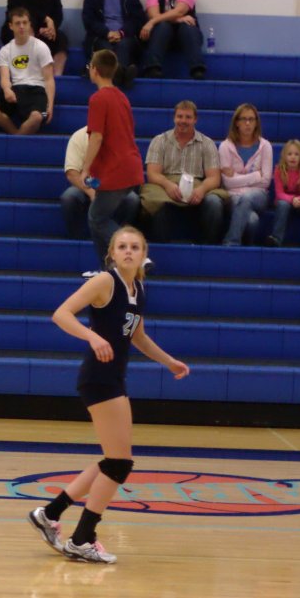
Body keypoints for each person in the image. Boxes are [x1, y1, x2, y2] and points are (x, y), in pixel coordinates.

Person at [28, 226, 187, 565]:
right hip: (99, 378)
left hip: (113, 378)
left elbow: (138, 336)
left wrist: (169, 361)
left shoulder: (138, 289)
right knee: (119, 463)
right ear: (111, 253)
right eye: (122, 246)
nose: (128, 251)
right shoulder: (105, 281)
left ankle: (50, 514)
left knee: (113, 460)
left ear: (143, 254)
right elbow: (61, 314)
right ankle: (82, 538)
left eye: (135, 247)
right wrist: (92, 336)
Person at [80, 49, 142, 261]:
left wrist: (85, 168)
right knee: (97, 218)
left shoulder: (98, 99)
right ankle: (108, 269)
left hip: (116, 169)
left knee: (97, 218)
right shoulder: (122, 97)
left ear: (94, 70)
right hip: (129, 166)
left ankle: (135, 252)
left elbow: (97, 136)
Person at [140, 100, 227, 243]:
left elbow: (214, 178)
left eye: (188, 117)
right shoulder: (159, 140)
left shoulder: (207, 143)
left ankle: (208, 247)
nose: (183, 121)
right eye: (180, 116)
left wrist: (202, 190)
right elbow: (152, 174)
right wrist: (168, 185)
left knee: (214, 203)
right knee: (155, 202)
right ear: (174, 118)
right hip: (165, 184)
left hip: (197, 184)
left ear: (195, 119)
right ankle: (162, 248)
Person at [0, 7, 54, 137]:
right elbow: (4, 78)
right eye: (17, 23)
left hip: (37, 91)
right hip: (15, 89)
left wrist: (50, 105)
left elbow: (49, 79)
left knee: (38, 117)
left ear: (29, 24)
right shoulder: (5, 50)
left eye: (25, 22)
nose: (21, 26)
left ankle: (15, 140)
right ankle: (15, 134)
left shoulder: (41, 47)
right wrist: (7, 90)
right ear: (11, 26)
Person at [218, 103, 273, 246]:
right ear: (237, 122)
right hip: (233, 195)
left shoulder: (265, 146)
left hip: (259, 195)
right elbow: (227, 182)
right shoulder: (225, 146)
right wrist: (256, 176)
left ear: (256, 123)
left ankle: (231, 241)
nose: (247, 123)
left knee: (247, 197)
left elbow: (266, 181)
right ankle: (247, 248)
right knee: (252, 220)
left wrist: (236, 176)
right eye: (243, 119)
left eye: (251, 119)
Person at [80, 0, 144, 87]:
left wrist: (121, 33)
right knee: (105, 48)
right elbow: (89, 21)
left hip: (125, 36)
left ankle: (118, 73)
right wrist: (106, 33)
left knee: (124, 45)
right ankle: (123, 75)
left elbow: (137, 19)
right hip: (101, 37)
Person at [139, 0, 205, 81]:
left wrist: (151, 22)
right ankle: (152, 68)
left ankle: (197, 69)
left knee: (188, 26)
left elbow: (179, 11)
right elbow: (154, 16)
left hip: (184, 40)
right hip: (160, 38)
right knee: (163, 26)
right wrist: (179, 19)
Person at [0, 0, 66, 76]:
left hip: (44, 30)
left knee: (61, 39)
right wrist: (44, 19)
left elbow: (58, 14)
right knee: (26, 32)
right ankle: (23, 74)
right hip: (19, 27)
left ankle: (56, 76)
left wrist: (50, 29)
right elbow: (18, 12)